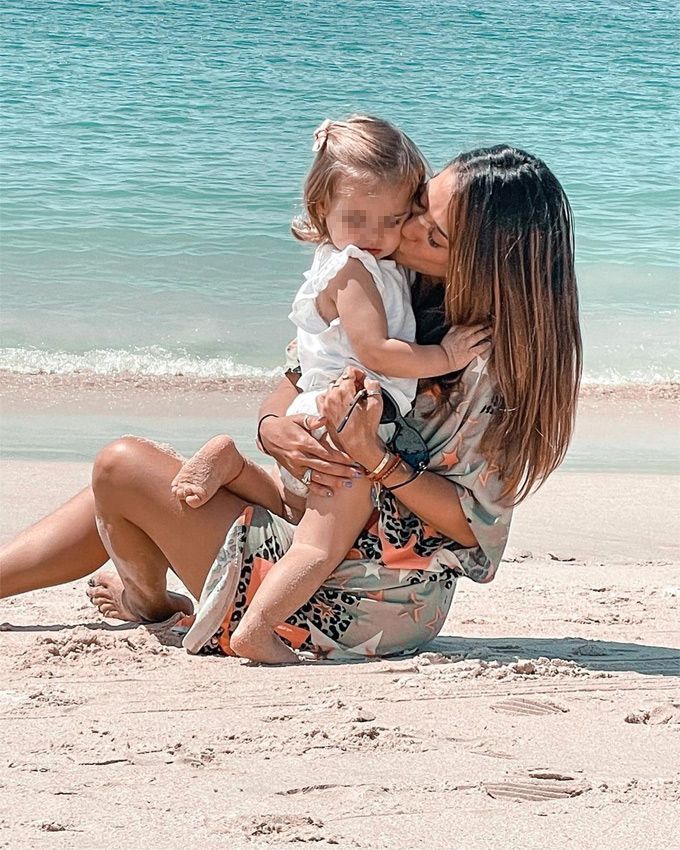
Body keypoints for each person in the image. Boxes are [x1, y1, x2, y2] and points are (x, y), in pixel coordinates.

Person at [0, 143, 582, 665]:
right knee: (146, 477)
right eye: (418, 205)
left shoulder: (488, 366)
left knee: (122, 467)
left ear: (486, 265)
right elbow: (297, 375)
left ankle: (148, 603)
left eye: (433, 235)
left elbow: (473, 524)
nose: (404, 230)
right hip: (319, 526)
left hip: (354, 598)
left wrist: (376, 458)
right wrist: (273, 426)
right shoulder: (399, 288)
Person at [169, 116, 490, 663]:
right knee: (319, 543)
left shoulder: (352, 260)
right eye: (356, 219)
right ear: (321, 211)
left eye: (394, 219)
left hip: (325, 408)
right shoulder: (357, 271)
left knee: (305, 511)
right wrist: (448, 356)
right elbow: (377, 353)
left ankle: (236, 469)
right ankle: (258, 628)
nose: (378, 234)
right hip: (346, 413)